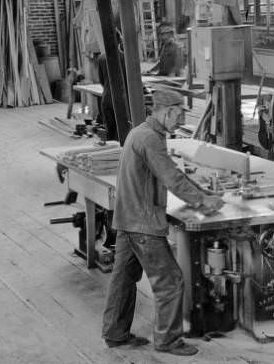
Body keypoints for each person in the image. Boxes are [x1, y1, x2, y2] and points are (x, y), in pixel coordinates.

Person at [101, 87, 225, 356]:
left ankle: (115, 333)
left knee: (123, 278)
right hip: (142, 223)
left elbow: (171, 174)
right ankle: (168, 340)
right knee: (170, 280)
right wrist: (204, 202)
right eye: (179, 116)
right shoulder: (150, 139)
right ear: (167, 111)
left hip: (126, 218)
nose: (180, 122)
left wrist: (203, 193)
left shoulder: (140, 133)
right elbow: (172, 178)